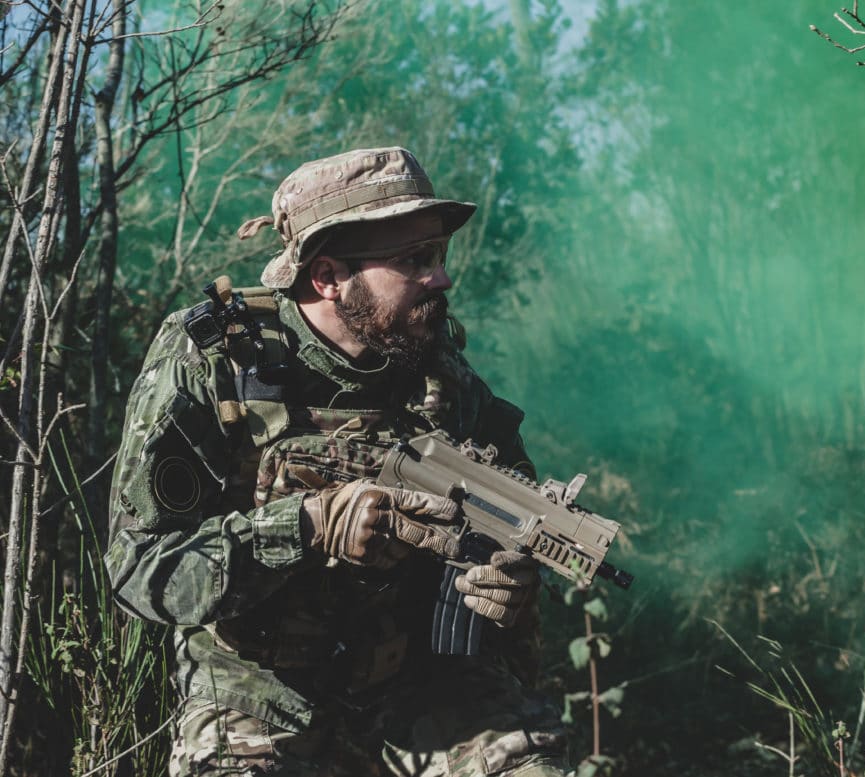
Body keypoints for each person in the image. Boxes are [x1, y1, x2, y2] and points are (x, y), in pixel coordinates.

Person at [104, 147, 570, 776]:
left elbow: (513, 518)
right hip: (261, 690)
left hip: (422, 678)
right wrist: (308, 526)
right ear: (327, 277)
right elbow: (138, 569)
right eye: (414, 260)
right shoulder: (214, 362)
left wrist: (507, 576)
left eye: (438, 255)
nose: (441, 279)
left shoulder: (437, 367)